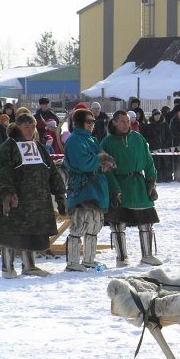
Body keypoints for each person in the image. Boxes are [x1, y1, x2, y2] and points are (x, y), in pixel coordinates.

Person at [0, 113, 66, 278]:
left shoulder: (38, 146)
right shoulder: (9, 146)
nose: (30, 130)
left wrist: (59, 193)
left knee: (31, 232)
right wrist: (7, 194)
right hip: (16, 199)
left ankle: (30, 266)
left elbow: (52, 171)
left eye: (33, 127)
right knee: (11, 232)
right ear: (18, 127)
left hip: (36, 201)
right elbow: (3, 172)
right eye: (26, 127)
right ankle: (8, 267)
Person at [101, 110, 162, 267]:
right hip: (119, 184)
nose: (126, 124)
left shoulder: (137, 138)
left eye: (127, 121)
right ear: (114, 122)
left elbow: (149, 162)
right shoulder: (107, 143)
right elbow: (105, 168)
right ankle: (121, 258)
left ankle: (147, 255)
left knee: (146, 223)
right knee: (118, 224)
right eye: (122, 121)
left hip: (139, 184)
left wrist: (151, 183)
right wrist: (114, 188)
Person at [63, 109, 115, 272]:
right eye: (89, 122)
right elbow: (82, 163)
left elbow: (104, 157)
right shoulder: (74, 141)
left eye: (93, 122)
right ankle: (72, 262)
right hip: (81, 189)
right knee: (79, 225)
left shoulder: (92, 140)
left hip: (96, 188)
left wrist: (107, 161)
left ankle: (89, 259)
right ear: (79, 123)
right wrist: (100, 160)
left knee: (94, 225)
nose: (92, 125)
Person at [142, 109, 173, 182]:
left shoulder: (164, 124)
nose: (157, 117)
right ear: (153, 116)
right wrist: (152, 144)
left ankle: (166, 177)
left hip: (164, 148)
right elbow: (147, 137)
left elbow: (169, 135)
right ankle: (157, 178)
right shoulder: (149, 126)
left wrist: (166, 143)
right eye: (156, 115)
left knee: (165, 163)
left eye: (159, 115)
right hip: (154, 148)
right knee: (156, 163)